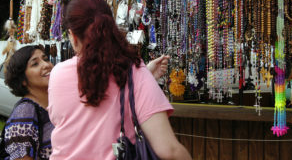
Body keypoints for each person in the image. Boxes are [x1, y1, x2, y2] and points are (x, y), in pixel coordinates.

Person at [48, 0, 191, 160]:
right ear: (111, 27)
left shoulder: (57, 74)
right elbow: (169, 151)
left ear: (72, 36)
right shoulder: (134, 71)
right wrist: (142, 75)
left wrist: (144, 75)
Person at [2, 45, 170, 160]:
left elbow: (110, 101)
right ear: (22, 80)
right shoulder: (24, 113)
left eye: (45, 58)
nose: (46, 65)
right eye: (35, 64)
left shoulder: (57, 102)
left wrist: (145, 75)